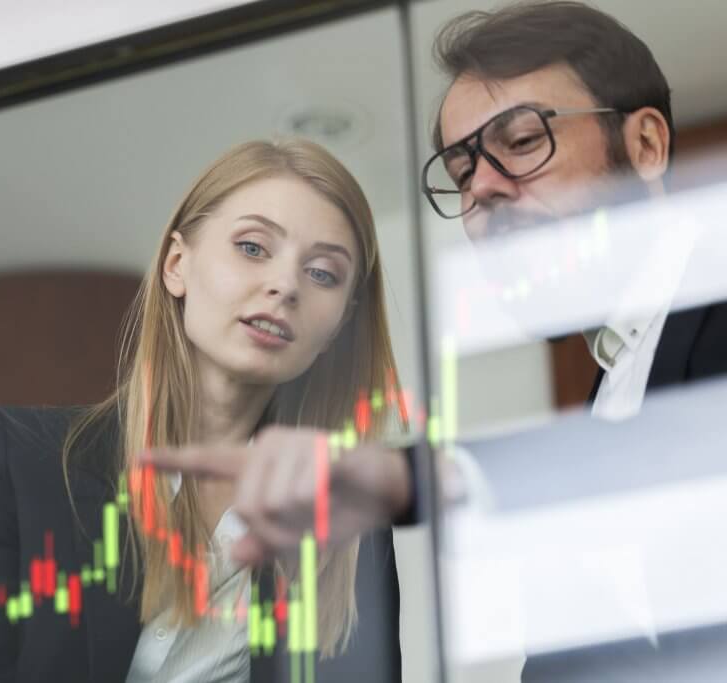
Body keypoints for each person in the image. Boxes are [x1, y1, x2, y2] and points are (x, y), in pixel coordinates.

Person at [154, 2, 727, 681]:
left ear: (647, 146)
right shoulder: (619, 375)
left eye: (521, 141)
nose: (482, 188)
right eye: (462, 171)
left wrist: (414, 479)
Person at [0, 138, 408, 682]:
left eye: (323, 272)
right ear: (177, 265)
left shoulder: (348, 528)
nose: (285, 285)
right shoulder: (19, 461)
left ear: (338, 327)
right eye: (252, 247)